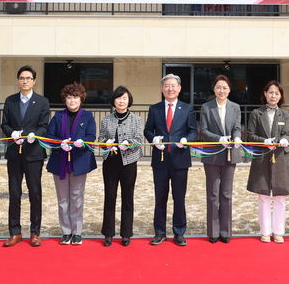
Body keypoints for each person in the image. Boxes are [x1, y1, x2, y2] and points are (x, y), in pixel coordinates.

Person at [144, 73, 197, 246]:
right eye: (167, 85)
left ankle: (179, 232)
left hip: (180, 159)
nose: (170, 88)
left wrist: (187, 140)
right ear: (162, 89)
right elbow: (148, 130)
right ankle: (159, 232)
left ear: (179, 88)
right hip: (160, 159)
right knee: (160, 197)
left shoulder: (187, 108)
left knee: (179, 197)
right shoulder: (155, 109)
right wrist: (154, 140)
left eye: (173, 85)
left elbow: (193, 131)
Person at [1, 65, 50, 247]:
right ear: (18, 80)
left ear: (34, 81)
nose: (25, 81)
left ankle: (35, 232)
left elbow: (44, 125)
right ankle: (15, 232)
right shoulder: (10, 101)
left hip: (33, 153)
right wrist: (12, 133)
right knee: (14, 193)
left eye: (28, 78)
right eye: (22, 78)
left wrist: (32, 135)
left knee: (35, 193)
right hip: (14, 153)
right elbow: (4, 124)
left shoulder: (42, 102)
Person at [46, 83, 97, 245]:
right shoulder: (58, 116)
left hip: (79, 161)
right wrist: (60, 143)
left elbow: (91, 135)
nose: (72, 100)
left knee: (76, 197)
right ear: (65, 99)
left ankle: (77, 231)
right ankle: (66, 231)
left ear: (81, 98)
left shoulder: (87, 116)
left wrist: (83, 142)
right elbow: (50, 136)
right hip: (59, 161)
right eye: (69, 97)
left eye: (75, 97)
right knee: (62, 199)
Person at [246, 80, 289, 243]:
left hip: (281, 158)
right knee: (263, 195)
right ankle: (265, 231)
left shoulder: (285, 115)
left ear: (280, 96)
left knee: (280, 196)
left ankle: (278, 231)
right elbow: (250, 135)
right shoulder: (256, 113)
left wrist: (285, 139)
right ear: (265, 94)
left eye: (277, 93)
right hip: (261, 157)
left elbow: (288, 133)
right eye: (270, 92)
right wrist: (263, 141)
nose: (273, 95)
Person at [198, 74, 242, 244]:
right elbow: (203, 130)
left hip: (231, 154)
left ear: (229, 90)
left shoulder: (235, 107)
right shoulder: (206, 107)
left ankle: (225, 230)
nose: (221, 90)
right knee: (213, 194)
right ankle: (213, 231)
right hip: (212, 154)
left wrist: (236, 137)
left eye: (224, 87)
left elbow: (237, 127)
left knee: (226, 194)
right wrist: (219, 139)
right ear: (214, 89)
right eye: (218, 87)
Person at [99, 86, 143, 247]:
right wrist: (106, 143)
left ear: (129, 100)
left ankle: (126, 234)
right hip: (110, 162)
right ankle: (108, 233)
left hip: (129, 162)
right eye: (118, 98)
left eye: (124, 98)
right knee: (110, 197)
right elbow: (101, 138)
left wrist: (129, 144)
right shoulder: (106, 119)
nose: (121, 101)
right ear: (114, 101)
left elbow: (139, 139)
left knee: (127, 198)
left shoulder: (136, 119)